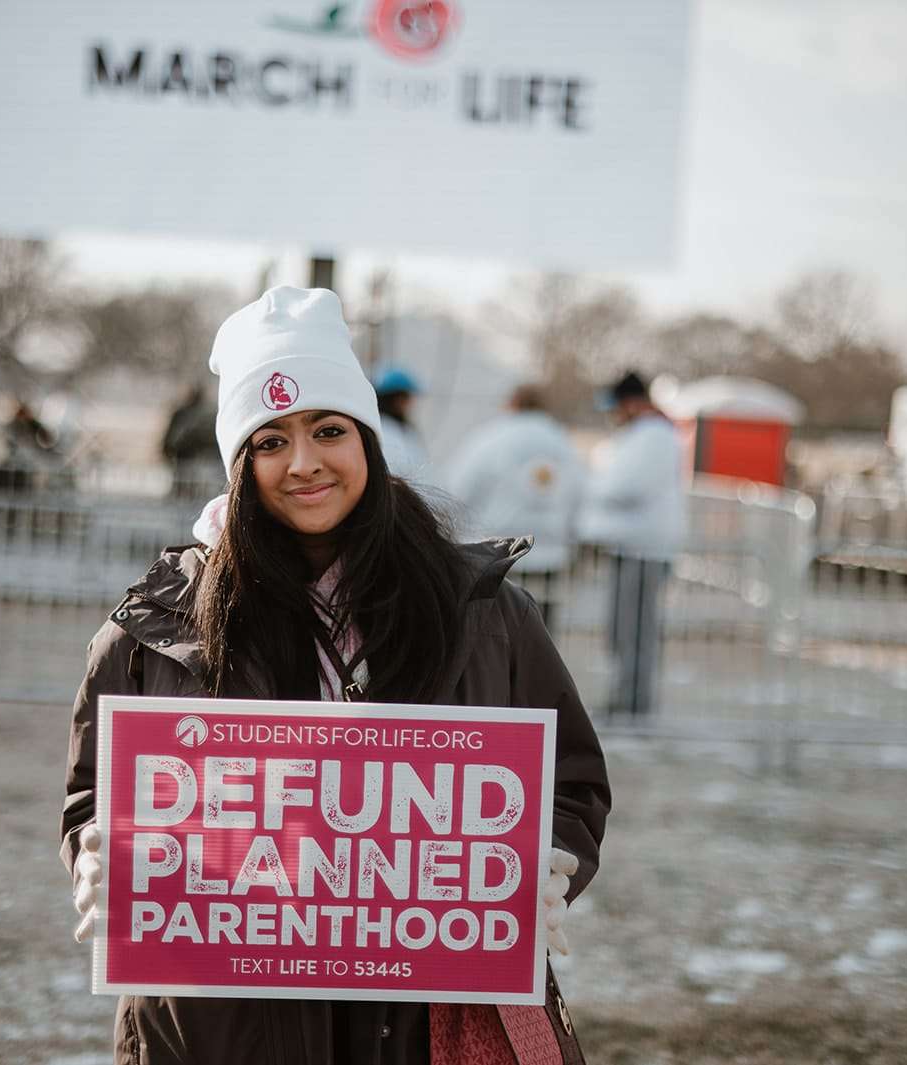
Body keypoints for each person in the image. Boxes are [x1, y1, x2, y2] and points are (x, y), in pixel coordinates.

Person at [61, 287, 611, 1065]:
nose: (305, 463)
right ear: (238, 462)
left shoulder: (482, 609)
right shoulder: (158, 627)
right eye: (270, 441)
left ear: (368, 440)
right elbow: (97, 787)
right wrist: (97, 845)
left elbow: (569, 778)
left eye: (328, 429)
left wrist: (551, 854)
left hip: (424, 1016)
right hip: (230, 1025)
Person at [577, 370, 683, 718]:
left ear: (631, 404)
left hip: (644, 549)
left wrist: (593, 486)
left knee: (635, 631)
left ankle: (634, 703)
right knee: (624, 630)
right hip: (632, 547)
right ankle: (627, 697)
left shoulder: (653, 437)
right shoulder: (643, 435)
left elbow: (624, 487)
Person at [444, 383, 585, 630]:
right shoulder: (562, 441)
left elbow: (459, 488)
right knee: (540, 635)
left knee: (497, 635)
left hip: (498, 554)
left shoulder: (491, 437)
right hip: (550, 553)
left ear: (512, 403)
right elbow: (580, 494)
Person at [372, 366, 428, 480]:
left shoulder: (398, 429)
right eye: (407, 398)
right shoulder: (387, 433)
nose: (410, 404)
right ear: (398, 400)